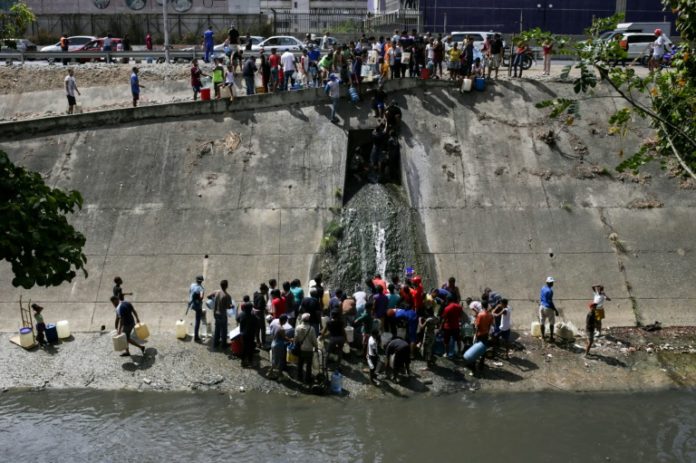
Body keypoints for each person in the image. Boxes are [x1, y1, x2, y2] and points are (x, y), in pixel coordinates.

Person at [295, 313, 318, 384]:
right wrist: (316, 347)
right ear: (309, 320)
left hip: (300, 349)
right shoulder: (311, 329)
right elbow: (314, 340)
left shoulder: (298, 327)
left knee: (300, 363)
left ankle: (299, 377)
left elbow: (296, 339)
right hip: (309, 350)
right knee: (309, 365)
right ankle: (307, 379)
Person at [237, 297, 258, 367]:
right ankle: (250, 361)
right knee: (251, 347)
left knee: (244, 347)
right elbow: (257, 322)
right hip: (251, 334)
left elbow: (237, 319)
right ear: (251, 308)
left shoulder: (241, 314)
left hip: (243, 334)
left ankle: (243, 361)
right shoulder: (253, 315)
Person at [211, 280, 231, 349]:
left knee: (217, 328)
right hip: (222, 314)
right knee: (224, 329)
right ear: (226, 286)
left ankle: (216, 343)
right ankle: (224, 344)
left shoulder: (216, 292)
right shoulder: (227, 296)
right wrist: (232, 306)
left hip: (216, 313)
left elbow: (208, 296)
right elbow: (228, 306)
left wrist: (213, 300)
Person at [269, 314, 290, 378]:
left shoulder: (275, 324)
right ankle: (279, 374)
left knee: (274, 359)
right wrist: (291, 340)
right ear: (284, 321)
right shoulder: (282, 329)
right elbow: (284, 338)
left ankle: (271, 372)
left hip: (273, 343)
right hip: (279, 345)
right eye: (286, 320)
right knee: (280, 360)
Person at [474, 303, 494, 370]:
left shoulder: (480, 315)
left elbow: (477, 326)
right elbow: (490, 325)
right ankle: (481, 365)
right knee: (483, 349)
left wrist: (475, 335)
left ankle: (474, 364)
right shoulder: (490, 315)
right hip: (486, 334)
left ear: (482, 306)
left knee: (476, 349)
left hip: (479, 334)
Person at [539, 276, 559, 342]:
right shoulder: (550, 291)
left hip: (541, 306)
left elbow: (541, 297)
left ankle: (542, 336)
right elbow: (550, 301)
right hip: (548, 308)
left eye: (552, 282)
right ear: (548, 283)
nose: (552, 283)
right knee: (551, 322)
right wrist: (555, 310)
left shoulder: (543, 288)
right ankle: (551, 337)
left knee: (542, 322)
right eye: (551, 282)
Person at [188, 275, 205, 342]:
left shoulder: (192, 285)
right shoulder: (201, 288)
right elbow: (201, 297)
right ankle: (196, 336)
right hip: (197, 306)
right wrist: (199, 297)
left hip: (191, 304)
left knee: (198, 318)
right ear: (201, 281)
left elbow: (190, 292)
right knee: (197, 320)